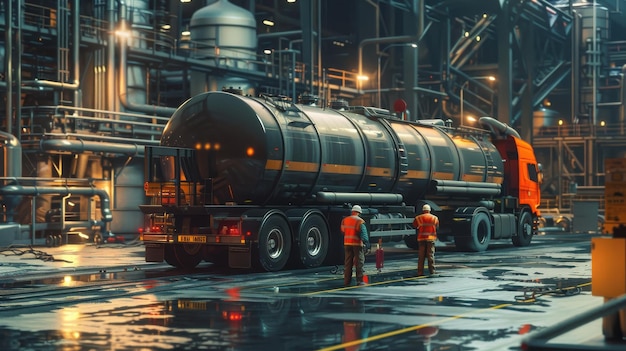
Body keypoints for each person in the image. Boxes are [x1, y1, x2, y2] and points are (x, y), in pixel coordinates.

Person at [341, 205, 370, 286]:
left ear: (352, 211)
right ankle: (360, 281)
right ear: (359, 212)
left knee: (348, 263)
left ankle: (346, 282)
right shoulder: (360, 221)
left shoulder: (345, 220)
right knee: (359, 263)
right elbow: (364, 234)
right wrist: (366, 243)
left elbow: (343, 231)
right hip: (357, 244)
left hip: (347, 244)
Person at [412, 204, 439, 276]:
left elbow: (414, 225)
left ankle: (420, 273)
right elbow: (437, 226)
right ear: (429, 210)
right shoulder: (435, 218)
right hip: (431, 239)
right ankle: (432, 271)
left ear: (423, 210)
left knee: (421, 256)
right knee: (430, 256)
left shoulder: (418, 218)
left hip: (421, 239)